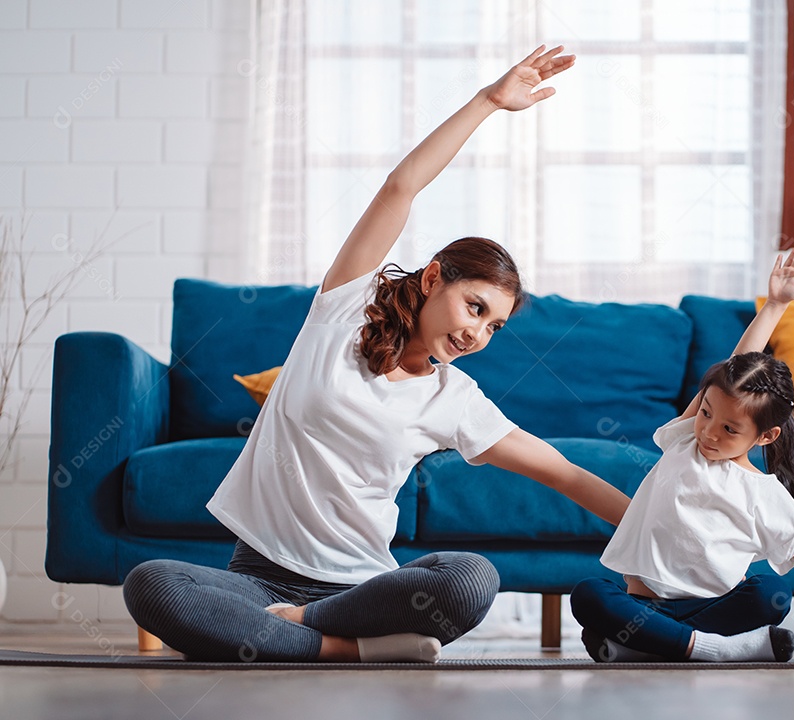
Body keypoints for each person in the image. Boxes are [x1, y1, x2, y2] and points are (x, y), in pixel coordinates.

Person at [124, 45, 632, 664]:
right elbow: (402, 185)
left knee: (472, 578)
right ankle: (345, 650)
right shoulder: (342, 310)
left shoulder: (454, 400)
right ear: (433, 278)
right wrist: (487, 102)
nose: (478, 335)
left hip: (363, 589)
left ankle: (308, 632)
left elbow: (563, 473)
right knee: (152, 584)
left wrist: (658, 537)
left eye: (494, 327)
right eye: (475, 307)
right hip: (255, 577)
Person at [570, 245, 794, 663]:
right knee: (589, 594)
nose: (709, 431)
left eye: (729, 429)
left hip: (711, 610)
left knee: (773, 594)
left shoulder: (764, 493)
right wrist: (775, 305)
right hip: (642, 604)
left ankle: (649, 645)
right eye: (705, 413)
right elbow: (734, 365)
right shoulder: (684, 441)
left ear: (765, 437)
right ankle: (710, 648)